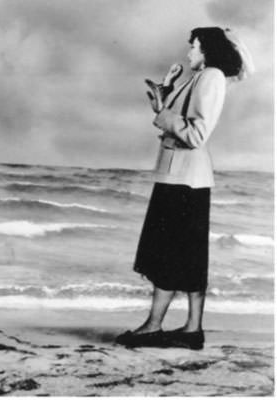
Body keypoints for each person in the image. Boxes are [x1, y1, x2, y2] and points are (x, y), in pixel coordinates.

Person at [116, 27, 253, 350]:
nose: (189, 53)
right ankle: (192, 330)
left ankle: (154, 326)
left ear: (206, 50)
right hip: (185, 178)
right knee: (188, 257)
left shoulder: (210, 77)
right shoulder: (203, 77)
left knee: (167, 255)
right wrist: (164, 101)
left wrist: (162, 114)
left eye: (193, 48)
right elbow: (187, 124)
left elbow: (196, 135)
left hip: (183, 179)